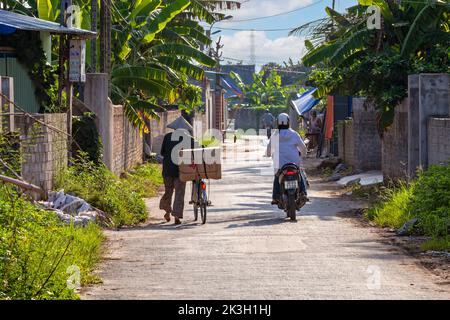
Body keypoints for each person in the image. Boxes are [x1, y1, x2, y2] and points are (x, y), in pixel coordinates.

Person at [159, 116, 194, 225]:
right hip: (181, 171)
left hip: (168, 170)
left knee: (168, 191)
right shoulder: (189, 139)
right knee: (179, 193)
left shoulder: (167, 137)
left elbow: (162, 152)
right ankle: (177, 216)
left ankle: (167, 211)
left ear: (174, 129)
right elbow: (194, 153)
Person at [266, 113, 307, 205]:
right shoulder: (294, 134)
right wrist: (303, 154)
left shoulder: (275, 135)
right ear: (288, 122)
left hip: (280, 164)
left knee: (277, 177)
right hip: (294, 162)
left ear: (277, 123)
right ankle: (303, 193)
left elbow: (269, 151)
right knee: (300, 174)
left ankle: (276, 197)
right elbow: (303, 148)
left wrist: (269, 154)